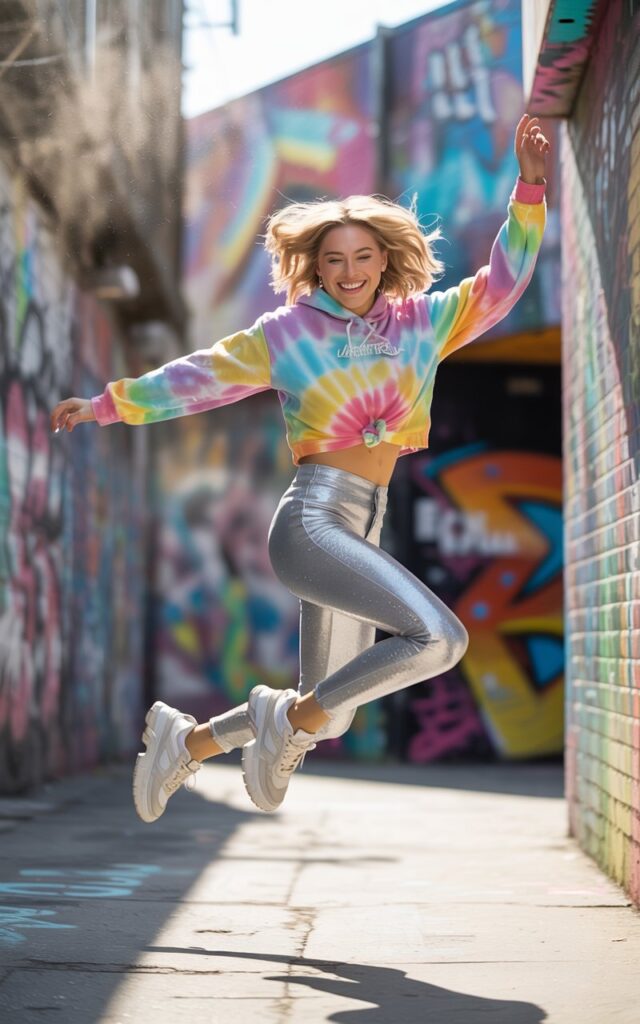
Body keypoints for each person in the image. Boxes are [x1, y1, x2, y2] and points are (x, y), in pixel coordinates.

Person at [50, 114, 550, 821]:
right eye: (334, 260)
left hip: (362, 526)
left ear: (385, 259)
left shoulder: (424, 323)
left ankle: (184, 742)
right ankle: (277, 725)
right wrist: (107, 406)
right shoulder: (286, 334)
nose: (348, 272)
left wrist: (528, 189)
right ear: (315, 267)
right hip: (314, 521)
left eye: (362, 257)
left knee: (333, 712)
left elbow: (502, 284)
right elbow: (200, 377)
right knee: (439, 638)